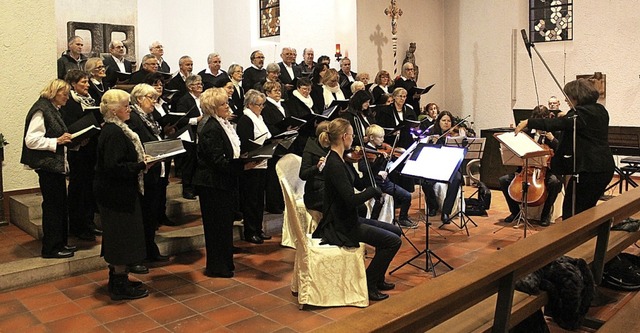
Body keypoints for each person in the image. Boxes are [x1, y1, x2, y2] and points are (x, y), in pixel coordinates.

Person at [312, 118, 402, 301]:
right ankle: (368, 284)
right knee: (392, 242)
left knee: (395, 231)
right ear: (345, 136)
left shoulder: (341, 160)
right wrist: (372, 191)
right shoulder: (335, 164)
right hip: (340, 224)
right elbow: (351, 199)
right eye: (352, 136)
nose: (354, 140)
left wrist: (375, 173)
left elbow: (359, 183)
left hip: (348, 217)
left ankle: (378, 278)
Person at [515, 78, 615, 219]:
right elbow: (575, 122)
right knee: (586, 210)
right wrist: (567, 116)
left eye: (568, 96)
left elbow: (558, 123)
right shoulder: (599, 110)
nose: (566, 100)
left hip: (590, 170)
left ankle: (577, 239)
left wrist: (529, 121)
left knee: (572, 213)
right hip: (603, 167)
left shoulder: (580, 115)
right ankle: (587, 239)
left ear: (576, 96)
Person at [94, 89, 152, 300]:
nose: (130, 109)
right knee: (121, 239)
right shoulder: (113, 133)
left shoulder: (117, 129)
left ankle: (121, 278)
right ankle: (119, 285)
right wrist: (141, 165)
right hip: (115, 195)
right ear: (114, 111)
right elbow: (114, 167)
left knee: (125, 237)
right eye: (126, 106)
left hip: (120, 193)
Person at [193, 88, 254, 277]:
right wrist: (243, 166)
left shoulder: (220, 123)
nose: (228, 106)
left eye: (227, 102)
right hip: (213, 185)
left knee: (224, 226)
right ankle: (217, 266)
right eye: (223, 103)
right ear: (212, 108)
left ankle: (225, 263)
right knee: (217, 227)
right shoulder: (210, 127)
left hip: (222, 182)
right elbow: (217, 161)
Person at [21, 79, 76, 258]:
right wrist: (57, 141)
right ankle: (51, 248)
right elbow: (31, 140)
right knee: (53, 207)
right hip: (48, 167)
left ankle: (60, 243)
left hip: (55, 167)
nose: (67, 97)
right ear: (54, 92)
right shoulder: (41, 109)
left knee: (59, 206)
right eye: (65, 93)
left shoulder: (52, 108)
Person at [127, 84, 171, 264]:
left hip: (155, 168)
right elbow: (136, 144)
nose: (154, 102)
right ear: (139, 99)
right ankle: (144, 252)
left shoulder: (149, 117)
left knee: (152, 213)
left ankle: (150, 247)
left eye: (155, 98)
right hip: (145, 170)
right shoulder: (134, 118)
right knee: (145, 213)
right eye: (150, 98)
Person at [500, 105, 562, 226]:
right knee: (503, 180)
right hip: (526, 170)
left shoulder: (554, 133)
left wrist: (553, 139)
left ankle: (545, 214)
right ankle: (515, 212)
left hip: (546, 171)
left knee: (554, 182)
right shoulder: (526, 133)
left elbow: (561, 149)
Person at [60, 70, 101, 242]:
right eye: (83, 82)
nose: (87, 85)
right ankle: (78, 225)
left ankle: (89, 222)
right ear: (73, 84)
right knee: (79, 187)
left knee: (90, 187)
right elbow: (67, 125)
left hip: (91, 148)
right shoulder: (69, 102)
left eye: (87, 82)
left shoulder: (90, 98)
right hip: (77, 151)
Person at [236, 90, 273, 244]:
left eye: (262, 104)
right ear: (250, 105)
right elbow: (245, 142)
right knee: (250, 200)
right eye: (259, 105)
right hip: (251, 164)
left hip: (262, 162)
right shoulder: (246, 119)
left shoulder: (259, 117)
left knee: (258, 200)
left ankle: (258, 229)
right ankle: (250, 231)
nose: (262, 107)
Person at [261, 81, 289, 214]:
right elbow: (269, 125)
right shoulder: (266, 108)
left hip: (285, 143)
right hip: (275, 144)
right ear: (267, 93)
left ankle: (282, 202)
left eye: (279, 90)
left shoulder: (282, 106)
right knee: (273, 176)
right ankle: (273, 204)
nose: (278, 92)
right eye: (275, 90)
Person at [175, 75, 204, 199]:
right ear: (190, 87)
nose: (200, 86)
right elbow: (180, 120)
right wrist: (196, 120)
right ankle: (187, 189)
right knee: (189, 163)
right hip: (189, 134)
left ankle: (197, 186)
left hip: (201, 134)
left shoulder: (202, 99)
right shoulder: (184, 100)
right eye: (197, 84)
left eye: (201, 83)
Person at [299, 121, 330, 213]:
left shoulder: (333, 147)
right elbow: (303, 174)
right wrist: (317, 167)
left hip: (329, 188)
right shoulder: (310, 149)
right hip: (316, 193)